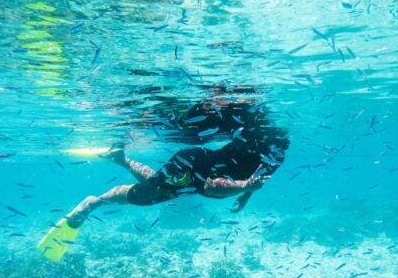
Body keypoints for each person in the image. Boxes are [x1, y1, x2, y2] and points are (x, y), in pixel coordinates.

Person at [37, 87, 289, 261]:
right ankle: (94, 202)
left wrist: (247, 192)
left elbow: (257, 177)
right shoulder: (269, 147)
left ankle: (121, 158)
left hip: (197, 173)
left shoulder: (276, 152)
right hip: (192, 165)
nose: (283, 142)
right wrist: (244, 188)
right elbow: (212, 185)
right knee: (152, 193)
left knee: (161, 187)